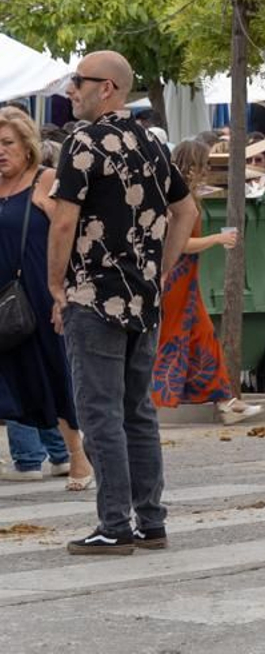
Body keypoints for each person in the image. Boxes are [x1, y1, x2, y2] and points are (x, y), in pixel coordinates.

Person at [49, 51, 198, 555]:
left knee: (100, 413)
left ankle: (113, 523)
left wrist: (55, 286)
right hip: (142, 297)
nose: (71, 89)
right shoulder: (149, 143)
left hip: (93, 295)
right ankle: (149, 521)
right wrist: (162, 270)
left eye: (78, 81)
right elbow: (187, 210)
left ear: (106, 88)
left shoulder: (83, 142)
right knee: (138, 411)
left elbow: (65, 220)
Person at [0, 108, 91, 487]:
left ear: (27, 147)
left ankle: (78, 457)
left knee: (51, 374)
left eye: (7, 144)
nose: (1, 152)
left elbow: (68, 232)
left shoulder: (44, 180)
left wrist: (62, 293)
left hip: (35, 290)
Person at [150, 141, 262, 425]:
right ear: (193, 166)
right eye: (204, 164)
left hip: (184, 282)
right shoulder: (176, 200)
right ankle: (157, 401)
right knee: (176, 338)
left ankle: (225, 401)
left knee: (202, 337)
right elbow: (179, 243)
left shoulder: (181, 196)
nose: (208, 170)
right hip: (176, 280)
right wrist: (217, 239)